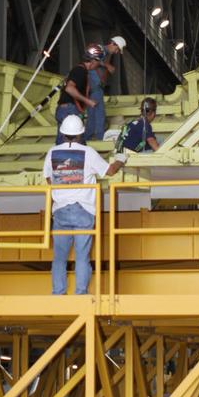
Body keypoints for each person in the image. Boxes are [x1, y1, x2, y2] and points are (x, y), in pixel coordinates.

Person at [43, 113, 122, 295]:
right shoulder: (89, 153)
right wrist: (120, 160)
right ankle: (80, 293)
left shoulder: (52, 153)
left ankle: (58, 293)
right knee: (82, 257)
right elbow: (109, 171)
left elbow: (49, 179)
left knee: (59, 258)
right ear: (81, 134)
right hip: (83, 210)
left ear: (62, 133)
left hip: (60, 210)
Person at [85, 36, 126, 141]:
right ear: (113, 44)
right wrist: (107, 65)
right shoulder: (101, 49)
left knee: (92, 116)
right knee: (99, 115)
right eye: (117, 49)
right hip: (95, 89)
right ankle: (99, 139)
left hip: (94, 88)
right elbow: (92, 59)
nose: (116, 52)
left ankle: (87, 138)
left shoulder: (104, 52)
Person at [55, 50, 100, 141]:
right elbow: (69, 88)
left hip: (67, 109)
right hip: (69, 110)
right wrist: (88, 101)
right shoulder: (80, 71)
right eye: (98, 62)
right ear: (93, 61)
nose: (98, 66)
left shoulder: (80, 71)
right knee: (75, 142)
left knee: (65, 141)